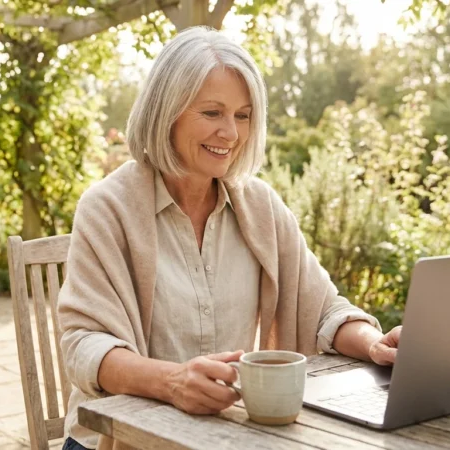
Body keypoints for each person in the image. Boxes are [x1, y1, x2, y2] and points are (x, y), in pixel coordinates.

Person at [57, 26, 402, 450]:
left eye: (242, 115)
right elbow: (83, 345)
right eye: (212, 112)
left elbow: (323, 310)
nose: (232, 134)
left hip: (219, 436)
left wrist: (375, 346)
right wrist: (173, 381)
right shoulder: (108, 208)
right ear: (166, 112)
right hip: (119, 439)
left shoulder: (260, 206)